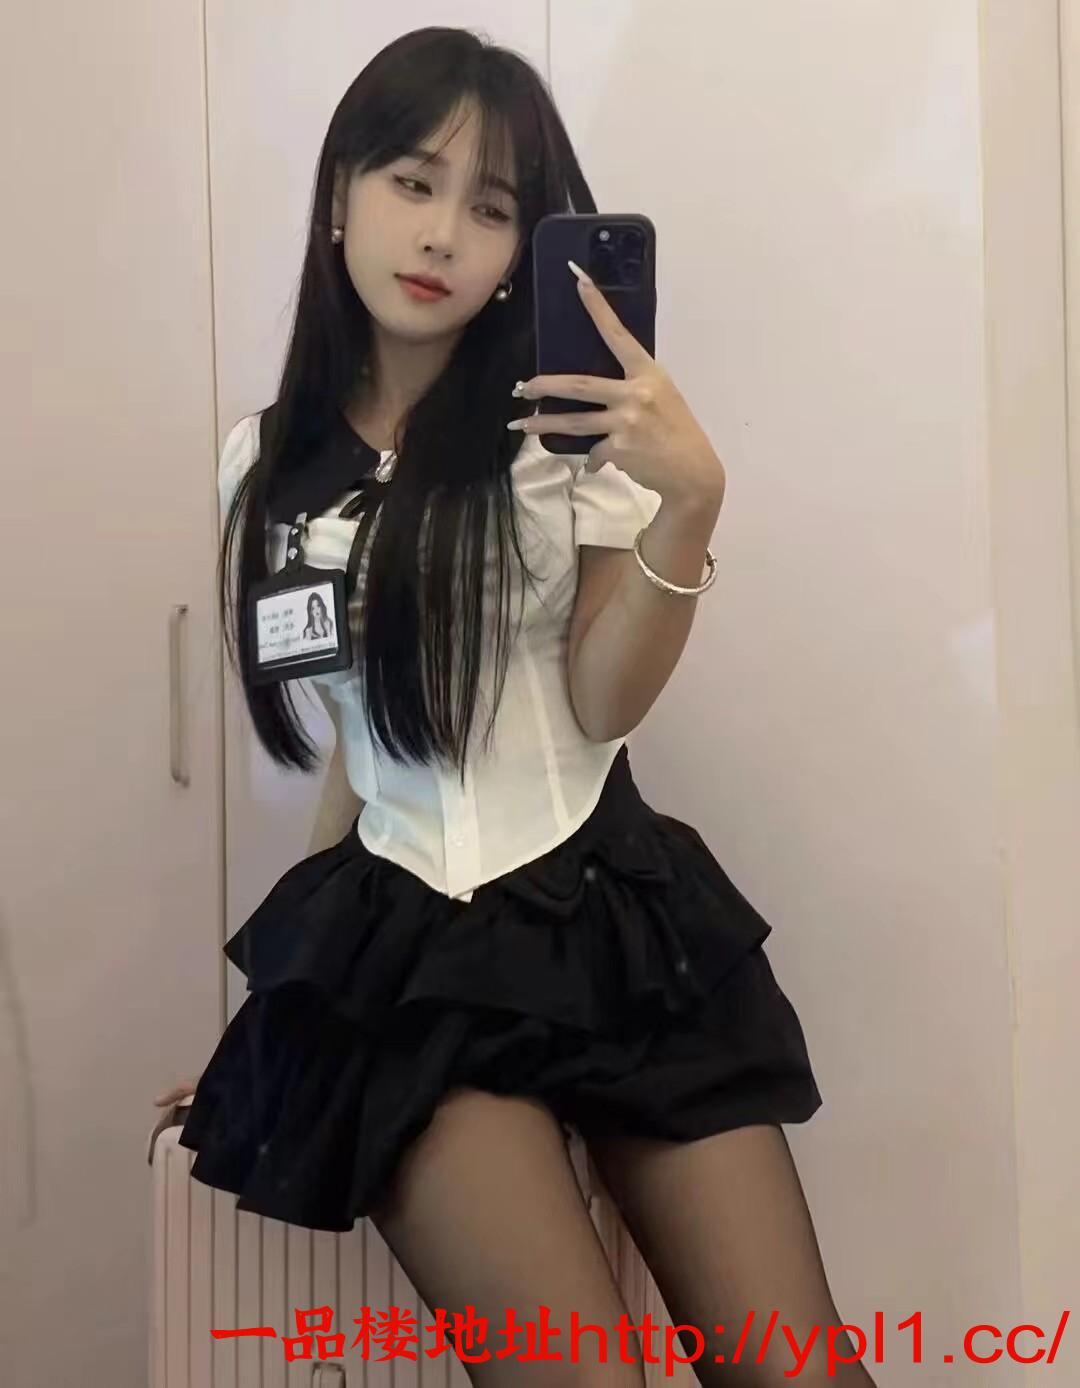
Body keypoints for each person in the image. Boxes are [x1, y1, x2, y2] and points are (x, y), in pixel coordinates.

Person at [156, 26, 877, 1387]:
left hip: (614, 919)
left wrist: (688, 506)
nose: (442, 233)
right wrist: (286, 1020)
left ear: (520, 249)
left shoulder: (564, 436)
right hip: (408, 957)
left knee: (803, 1373)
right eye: (412, 182)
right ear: (340, 192)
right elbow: (365, 750)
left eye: (491, 208)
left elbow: (600, 704)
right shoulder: (265, 463)